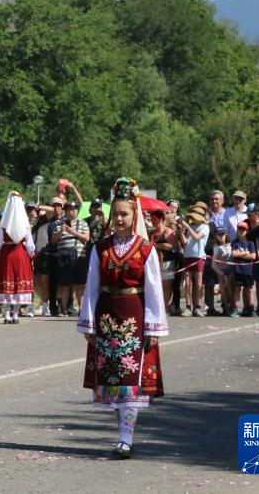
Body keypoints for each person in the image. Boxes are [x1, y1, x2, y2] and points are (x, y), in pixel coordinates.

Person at [77, 177, 166, 459]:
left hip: (134, 314)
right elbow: (91, 285)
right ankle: (122, 434)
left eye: (124, 213)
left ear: (134, 215)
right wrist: (88, 322)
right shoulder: (100, 247)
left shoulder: (146, 249)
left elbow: (153, 290)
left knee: (131, 379)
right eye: (115, 213)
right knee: (112, 379)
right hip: (106, 315)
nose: (118, 218)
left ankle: (125, 438)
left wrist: (153, 327)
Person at [0, 193, 35, 324]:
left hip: (7, 254)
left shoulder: (3, 225)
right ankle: (16, 315)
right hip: (21, 254)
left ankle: (7, 315)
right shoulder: (25, 224)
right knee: (19, 281)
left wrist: (0, 253)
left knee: (8, 281)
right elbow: (30, 245)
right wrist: (30, 255)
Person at [48, 202, 89, 316]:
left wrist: (72, 232)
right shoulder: (58, 224)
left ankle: (82, 309)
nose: (74, 210)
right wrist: (61, 231)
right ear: (66, 211)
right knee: (64, 285)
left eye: (75, 208)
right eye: (71, 208)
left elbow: (86, 238)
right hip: (64, 258)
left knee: (80, 285)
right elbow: (53, 240)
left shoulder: (83, 223)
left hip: (80, 257)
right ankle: (64, 310)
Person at [175, 209, 210, 317]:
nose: (192, 218)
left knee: (198, 283)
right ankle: (188, 307)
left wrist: (186, 225)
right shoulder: (190, 226)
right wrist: (180, 230)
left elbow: (196, 237)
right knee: (188, 282)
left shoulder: (205, 227)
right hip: (187, 256)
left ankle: (198, 307)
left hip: (199, 257)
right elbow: (185, 242)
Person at [229, 223, 257, 317]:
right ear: (237, 231)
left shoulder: (250, 243)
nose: (241, 231)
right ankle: (235, 309)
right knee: (237, 289)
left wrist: (240, 253)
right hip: (238, 270)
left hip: (248, 270)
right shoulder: (235, 243)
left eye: (244, 230)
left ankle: (251, 309)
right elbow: (233, 254)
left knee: (249, 290)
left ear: (247, 231)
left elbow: (253, 256)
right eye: (240, 229)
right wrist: (245, 253)